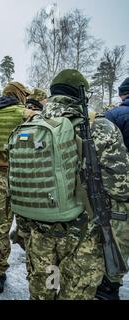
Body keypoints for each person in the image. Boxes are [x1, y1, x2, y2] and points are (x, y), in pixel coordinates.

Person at [12, 69, 129, 300]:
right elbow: (121, 187)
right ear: (81, 96)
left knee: (44, 292)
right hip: (83, 236)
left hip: (39, 232)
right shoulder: (100, 128)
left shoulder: (31, 124)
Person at [0, 81, 36, 293]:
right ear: (18, 94)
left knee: (1, 227)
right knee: (28, 228)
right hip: (22, 179)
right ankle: (35, 273)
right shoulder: (23, 113)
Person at [97, 76, 129, 299]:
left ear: (121, 94)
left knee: (118, 236)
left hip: (119, 185)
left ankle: (109, 285)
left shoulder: (114, 116)